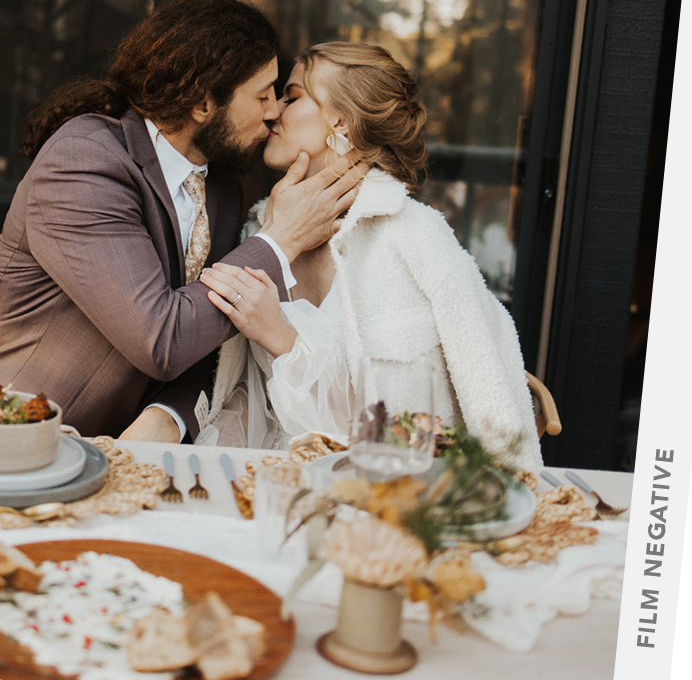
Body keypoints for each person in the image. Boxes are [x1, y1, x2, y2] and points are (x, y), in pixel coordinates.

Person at [0, 0, 366, 442]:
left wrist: (168, 417)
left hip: (125, 461)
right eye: (263, 95)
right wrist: (281, 240)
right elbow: (161, 339)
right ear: (203, 103)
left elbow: (211, 343)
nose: (274, 112)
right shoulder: (85, 162)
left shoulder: (222, 184)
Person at [199, 41, 542, 465]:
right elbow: (247, 395)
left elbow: (486, 393)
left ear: (341, 122)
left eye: (292, 96)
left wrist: (282, 338)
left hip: (392, 500)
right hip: (272, 490)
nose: (274, 111)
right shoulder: (260, 233)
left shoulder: (415, 236)